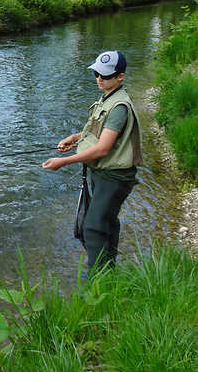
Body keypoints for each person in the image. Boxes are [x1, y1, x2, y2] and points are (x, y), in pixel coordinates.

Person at [41, 50, 142, 271]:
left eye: (105, 75)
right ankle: (109, 270)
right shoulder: (107, 98)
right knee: (107, 220)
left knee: (93, 227)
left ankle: (99, 278)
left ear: (120, 77)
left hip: (114, 176)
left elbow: (103, 148)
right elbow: (98, 133)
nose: (99, 79)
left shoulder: (119, 107)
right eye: (97, 73)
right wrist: (75, 138)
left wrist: (63, 161)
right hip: (101, 173)